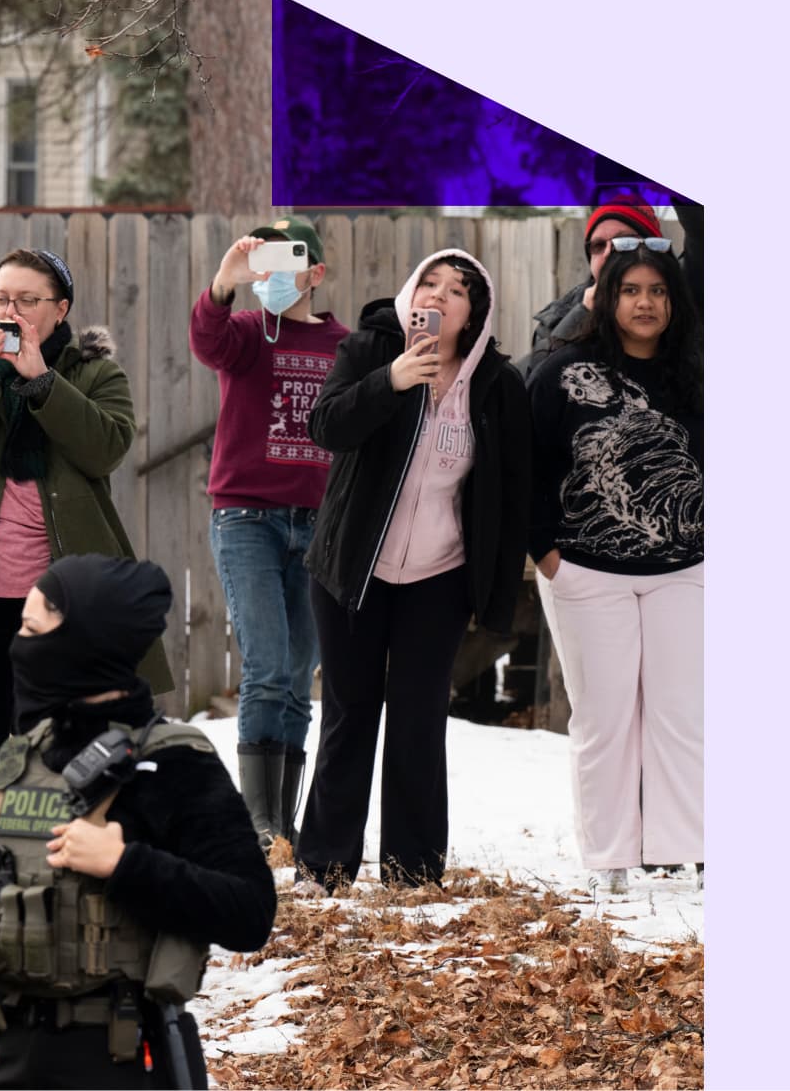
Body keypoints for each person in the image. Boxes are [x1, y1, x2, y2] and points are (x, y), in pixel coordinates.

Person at [0, 554, 275, 1090]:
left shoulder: (172, 761)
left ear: (83, 644)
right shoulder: (23, 758)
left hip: (118, 1057)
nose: (17, 646)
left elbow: (250, 912)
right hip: (4, 1058)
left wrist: (124, 864)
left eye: (31, 629)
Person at [0, 247, 173, 930]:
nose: (8, 312)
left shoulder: (93, 370)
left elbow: (105, 447)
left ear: (59, 310)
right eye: (0, 298)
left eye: (26, 300)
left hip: (62, 621)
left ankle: (59, 919)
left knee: (64, 773)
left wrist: (41, 385)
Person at [295, 249, 529, 893]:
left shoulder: (497, 384)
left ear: (472, 314)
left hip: (440, 574)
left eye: (458, 290)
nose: (441, 295)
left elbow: (511, 494)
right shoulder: (369, 349)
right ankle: (325, 866)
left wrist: (496, 597)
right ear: (410, 291)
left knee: (419, 719)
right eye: (432, 281)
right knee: (350, 711)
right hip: (352, 568)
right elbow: (325, 427)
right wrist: (391, 380)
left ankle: (413, 872)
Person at [530, 240, 703, 893]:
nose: (646, 302)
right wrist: (547, 555)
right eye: (632, 290)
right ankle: (610, 861)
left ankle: (687, 850)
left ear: (674, 303)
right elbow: (529, 470)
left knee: (680, 713)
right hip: (587, 573)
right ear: (606, 299)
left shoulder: (699, 374)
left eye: (658, 291)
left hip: (686, 570)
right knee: (603, 719)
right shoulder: (561, 372)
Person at [189, 220, 349, 852]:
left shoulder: (343, 345)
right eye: (264, 260)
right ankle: (258, 824)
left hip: (319, 524)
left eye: (289, 260)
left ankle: (285, 821)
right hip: (247, 518)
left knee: (300, 670)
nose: (274, 274)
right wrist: (224, 284)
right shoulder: (248, 335)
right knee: (265, 665)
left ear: (316, 273)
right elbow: (206, 340)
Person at [524, 196, 667, 378]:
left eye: (624, 243)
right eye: (598, 245)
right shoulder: (557, 318)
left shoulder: (680, 302)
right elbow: (539, 387)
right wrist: (582, 316)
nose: (608, 253)